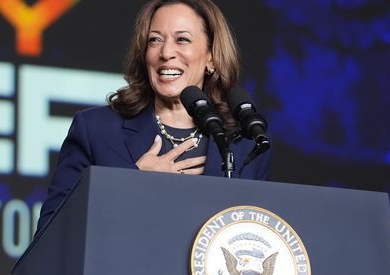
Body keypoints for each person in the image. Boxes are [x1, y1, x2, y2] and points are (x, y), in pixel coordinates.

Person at [36, 0, 273, 234]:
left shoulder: (244, 145)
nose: (166, 52)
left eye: (182, 39)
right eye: (155, 40)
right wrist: (132, 184)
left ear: (211, 57)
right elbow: (51, 233)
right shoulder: (96, 130)